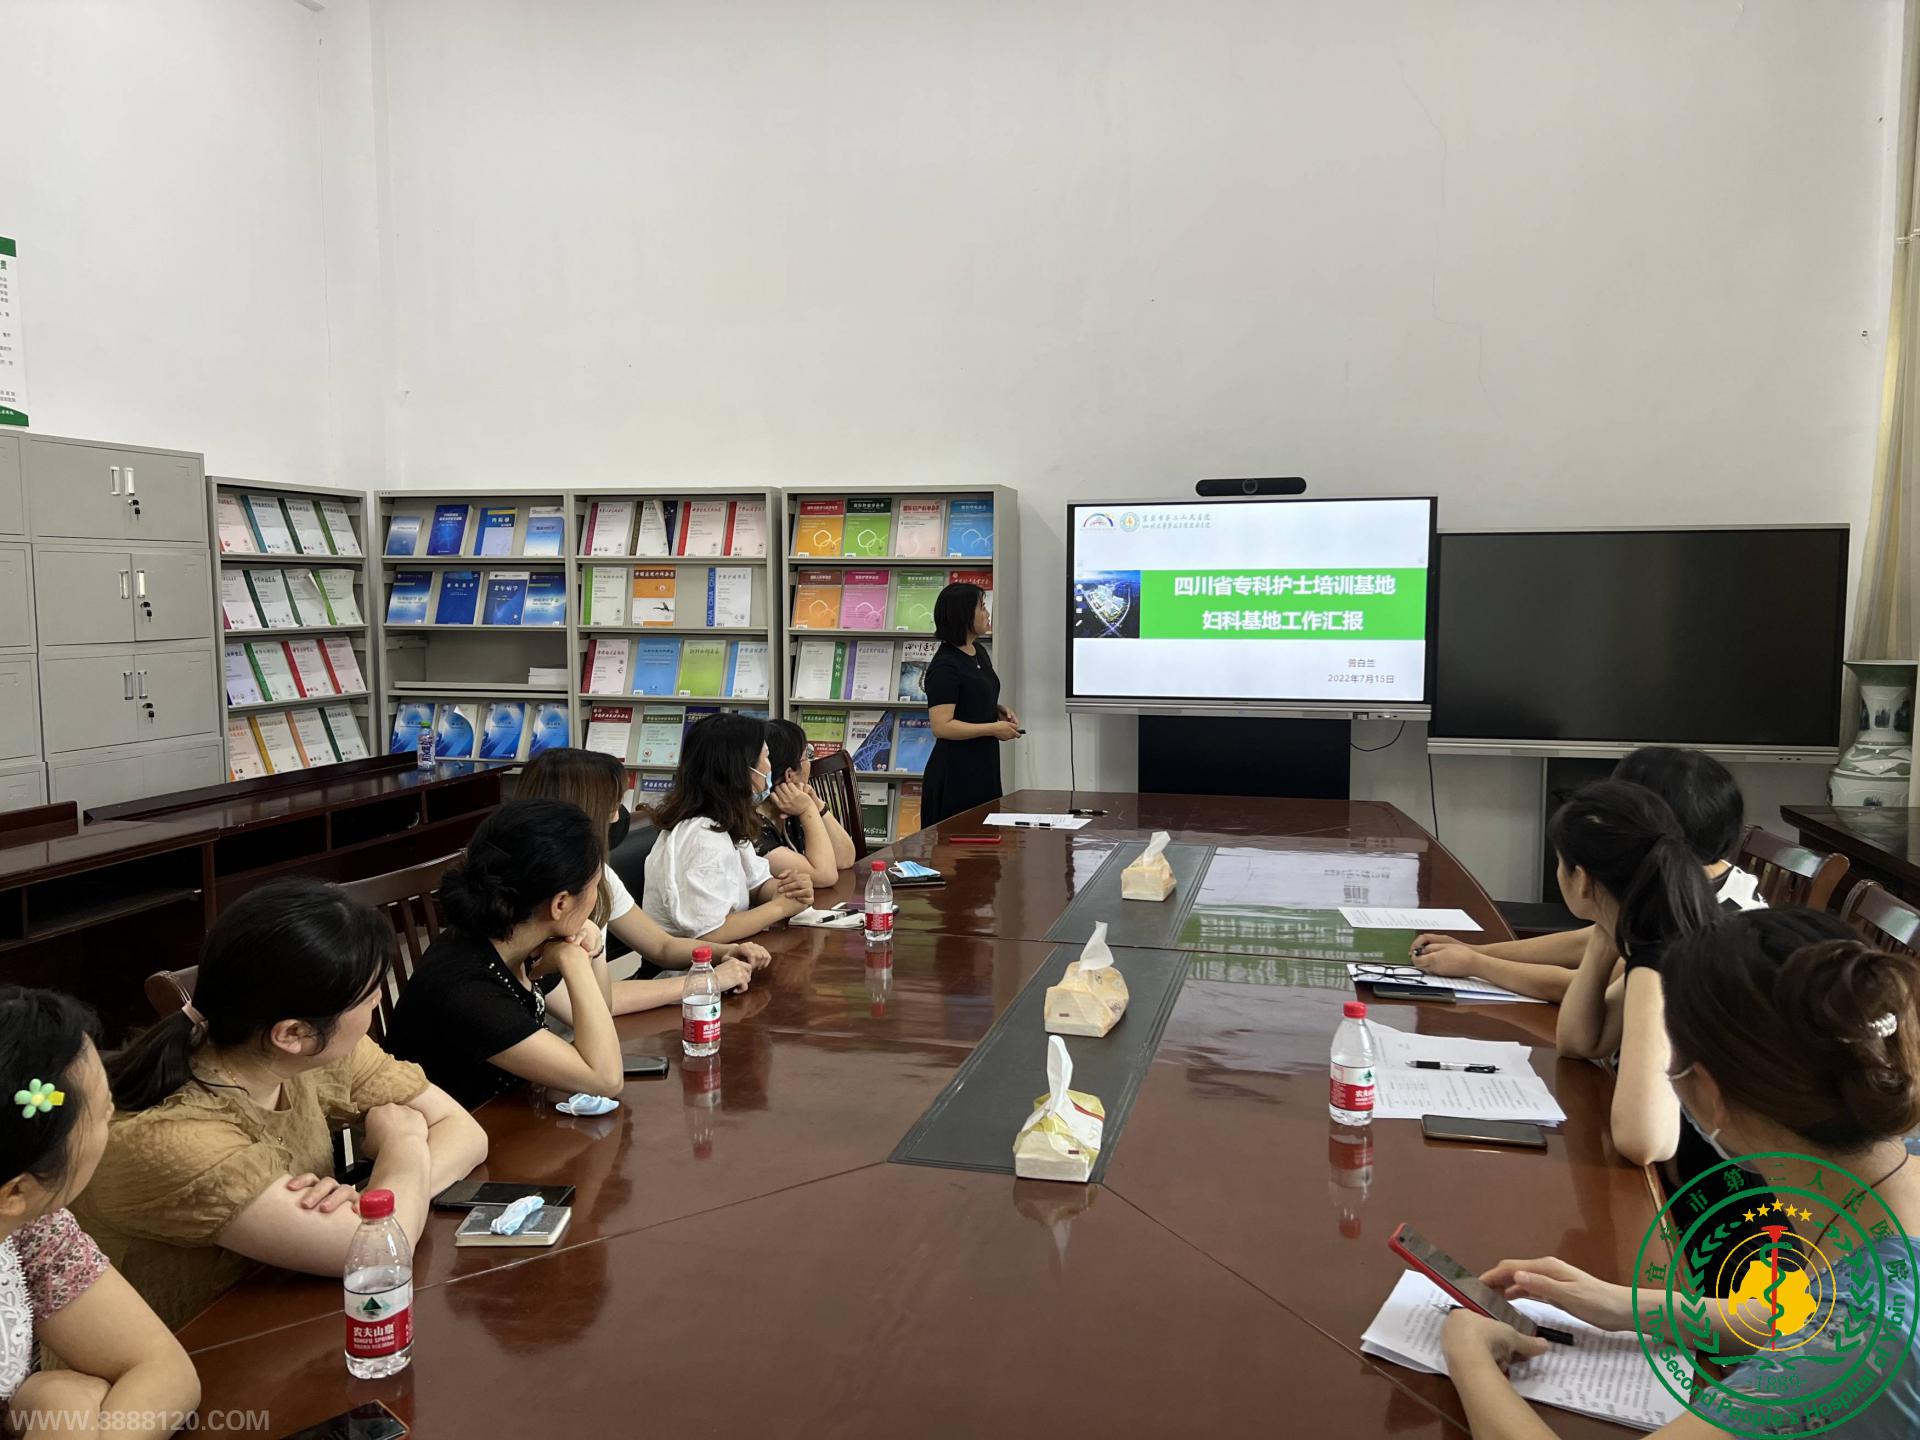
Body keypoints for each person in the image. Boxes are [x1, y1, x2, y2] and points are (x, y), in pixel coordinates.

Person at [1439, 910, 1920, 1439]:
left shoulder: (1860, 1348)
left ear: (1707, 1094)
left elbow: (1844, 1334)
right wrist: (1625, 1305)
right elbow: (1805, 1314)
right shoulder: (1888, 1188)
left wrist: (1469, 1355)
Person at [77, 882, 488, 1331]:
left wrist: (373, 1202)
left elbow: (464, 1131)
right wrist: (403, 1146)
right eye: (369, 1001)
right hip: (189, 1353)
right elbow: (377, 1253)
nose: (376, 1004)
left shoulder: (311, 1051)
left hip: (290, 1312)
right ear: (292, 1034)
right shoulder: (173, 1136)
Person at [1409, 747, 1763, 1001]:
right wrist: (1478, 951)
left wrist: (1477, 964)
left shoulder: (1696, 922)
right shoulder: (1703, 880)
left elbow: (1588, 991)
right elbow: (1592, 939)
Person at [0, 989, 199, 1440]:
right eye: (106, 1114)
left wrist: (62, 1406)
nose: (116, 1121)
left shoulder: (32, 1226)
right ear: (15, 1191)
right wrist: (63, 1407)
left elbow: (162, 1369)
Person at [385, 798, 637, 1109]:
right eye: (595, 886)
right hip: (455, 1132)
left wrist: (591, 946)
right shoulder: (467, 986)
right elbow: (605, 1078)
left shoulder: (515, 935)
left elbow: (598, 1016)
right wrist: (574, 961)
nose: (596, 897)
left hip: (505, 1119)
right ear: (560, 904)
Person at [1548, 781, 1722, 1167]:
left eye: (1559, 863)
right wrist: (1604, 933)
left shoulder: (1659, 960)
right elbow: (1580, 1042)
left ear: (1582, 879)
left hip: (1728, 1195)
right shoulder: (1664, 929)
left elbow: (1644, 1142)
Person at [516, 746, 771, 1005]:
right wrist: (704, 982)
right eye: (612, 808)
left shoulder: (598, 873)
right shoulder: (536, 897)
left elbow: (661, 946)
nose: (618, 817)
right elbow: (590, 1003)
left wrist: (725, 952)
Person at [642, 713, 813, 941]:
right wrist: (780, 907)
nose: (770, 768)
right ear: (741, 770)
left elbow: (757, 884)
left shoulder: (725, 821)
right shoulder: (702, 838)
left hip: (731, 952)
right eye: (766, 757)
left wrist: (788, 889)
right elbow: (710, 933)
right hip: (695, 962)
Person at [921, 581, 1017, 827]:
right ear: (963, 615)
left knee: (987, 839)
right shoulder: (945, 665)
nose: (988, 613)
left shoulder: (978, 651)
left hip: (984, 766)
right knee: (961, 843)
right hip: (956, 773)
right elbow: (942, 726)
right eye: (982, 607)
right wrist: (992, 728)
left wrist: (996, 709)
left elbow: (971, 696)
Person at [755, 718, 856, 886]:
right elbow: (825, 876)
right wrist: (808, 809)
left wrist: (818, 806)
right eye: (807, 756)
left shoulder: (794, 803)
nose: (810, 762)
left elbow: (845, 859)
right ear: (789, 775)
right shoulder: (751, 828)